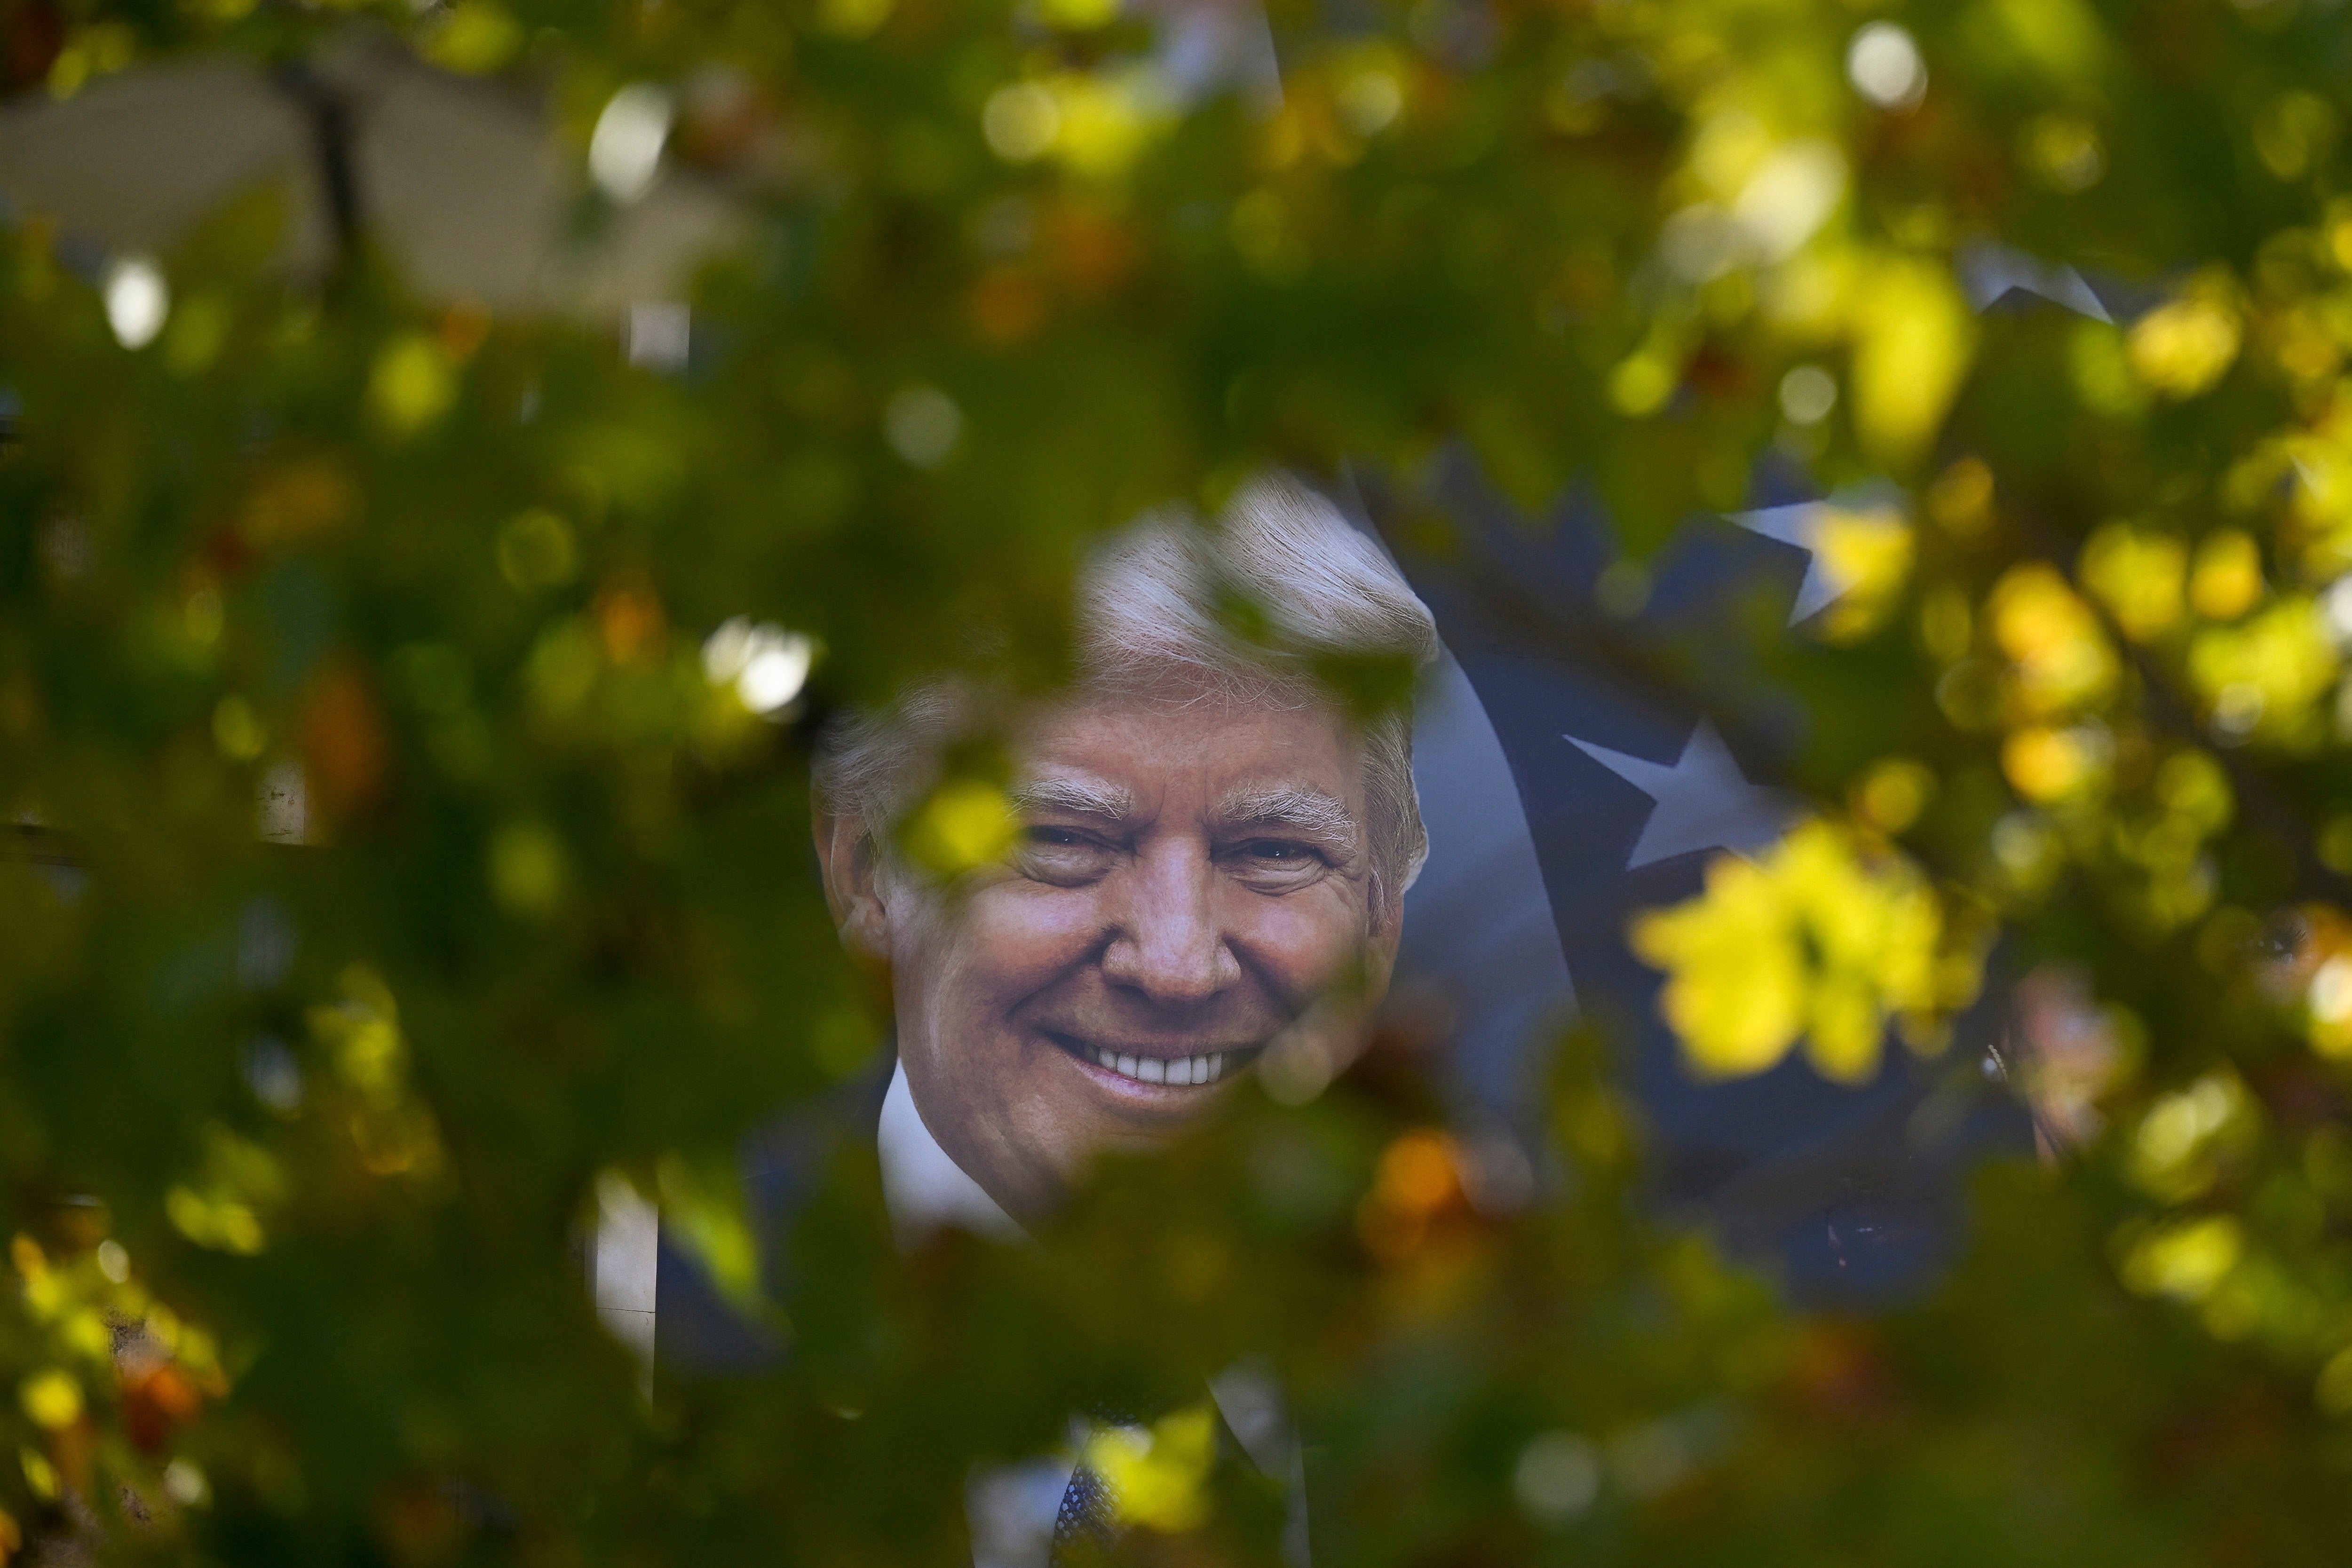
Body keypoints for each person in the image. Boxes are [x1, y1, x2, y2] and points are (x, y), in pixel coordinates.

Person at [811, 474, 1441, 1237]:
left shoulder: (1527, 1324)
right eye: (1062, 839)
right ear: (865, 873)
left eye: (1273, 851)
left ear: (1380, 925)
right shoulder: (672, 1316)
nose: (1177, 965)